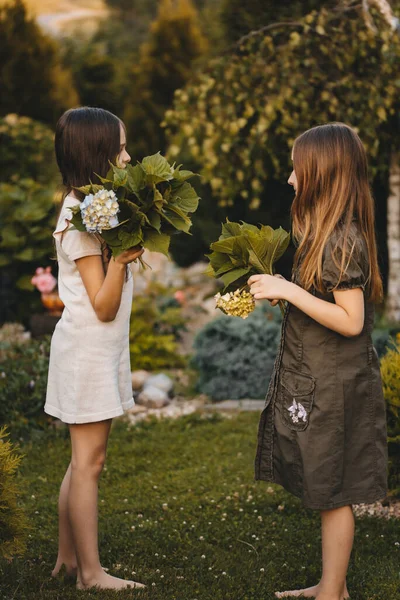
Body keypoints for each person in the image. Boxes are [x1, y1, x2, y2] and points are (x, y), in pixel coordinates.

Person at [248, 123, 387, 600]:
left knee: (334, 490)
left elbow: (351, 321)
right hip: (321, 378)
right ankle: (332, 586)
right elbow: (324, 303)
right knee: (328, 485)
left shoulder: (341, 240)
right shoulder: (321, 232)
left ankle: (332, 594)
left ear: (322, 174)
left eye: (297, 169)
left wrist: (288, 290)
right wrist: (291, 296)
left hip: (337, 384)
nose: (290, 179)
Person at [44, 107, 145, 591]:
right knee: (90, 463)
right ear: (96, 154)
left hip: (92, 350)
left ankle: (67, 558)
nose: (128, 156)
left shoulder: (89, 206)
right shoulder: (81, 217)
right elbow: (103, 305)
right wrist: (122, 261)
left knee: (80, 460)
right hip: (87, 352)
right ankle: (90, 573)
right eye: (120, 148)